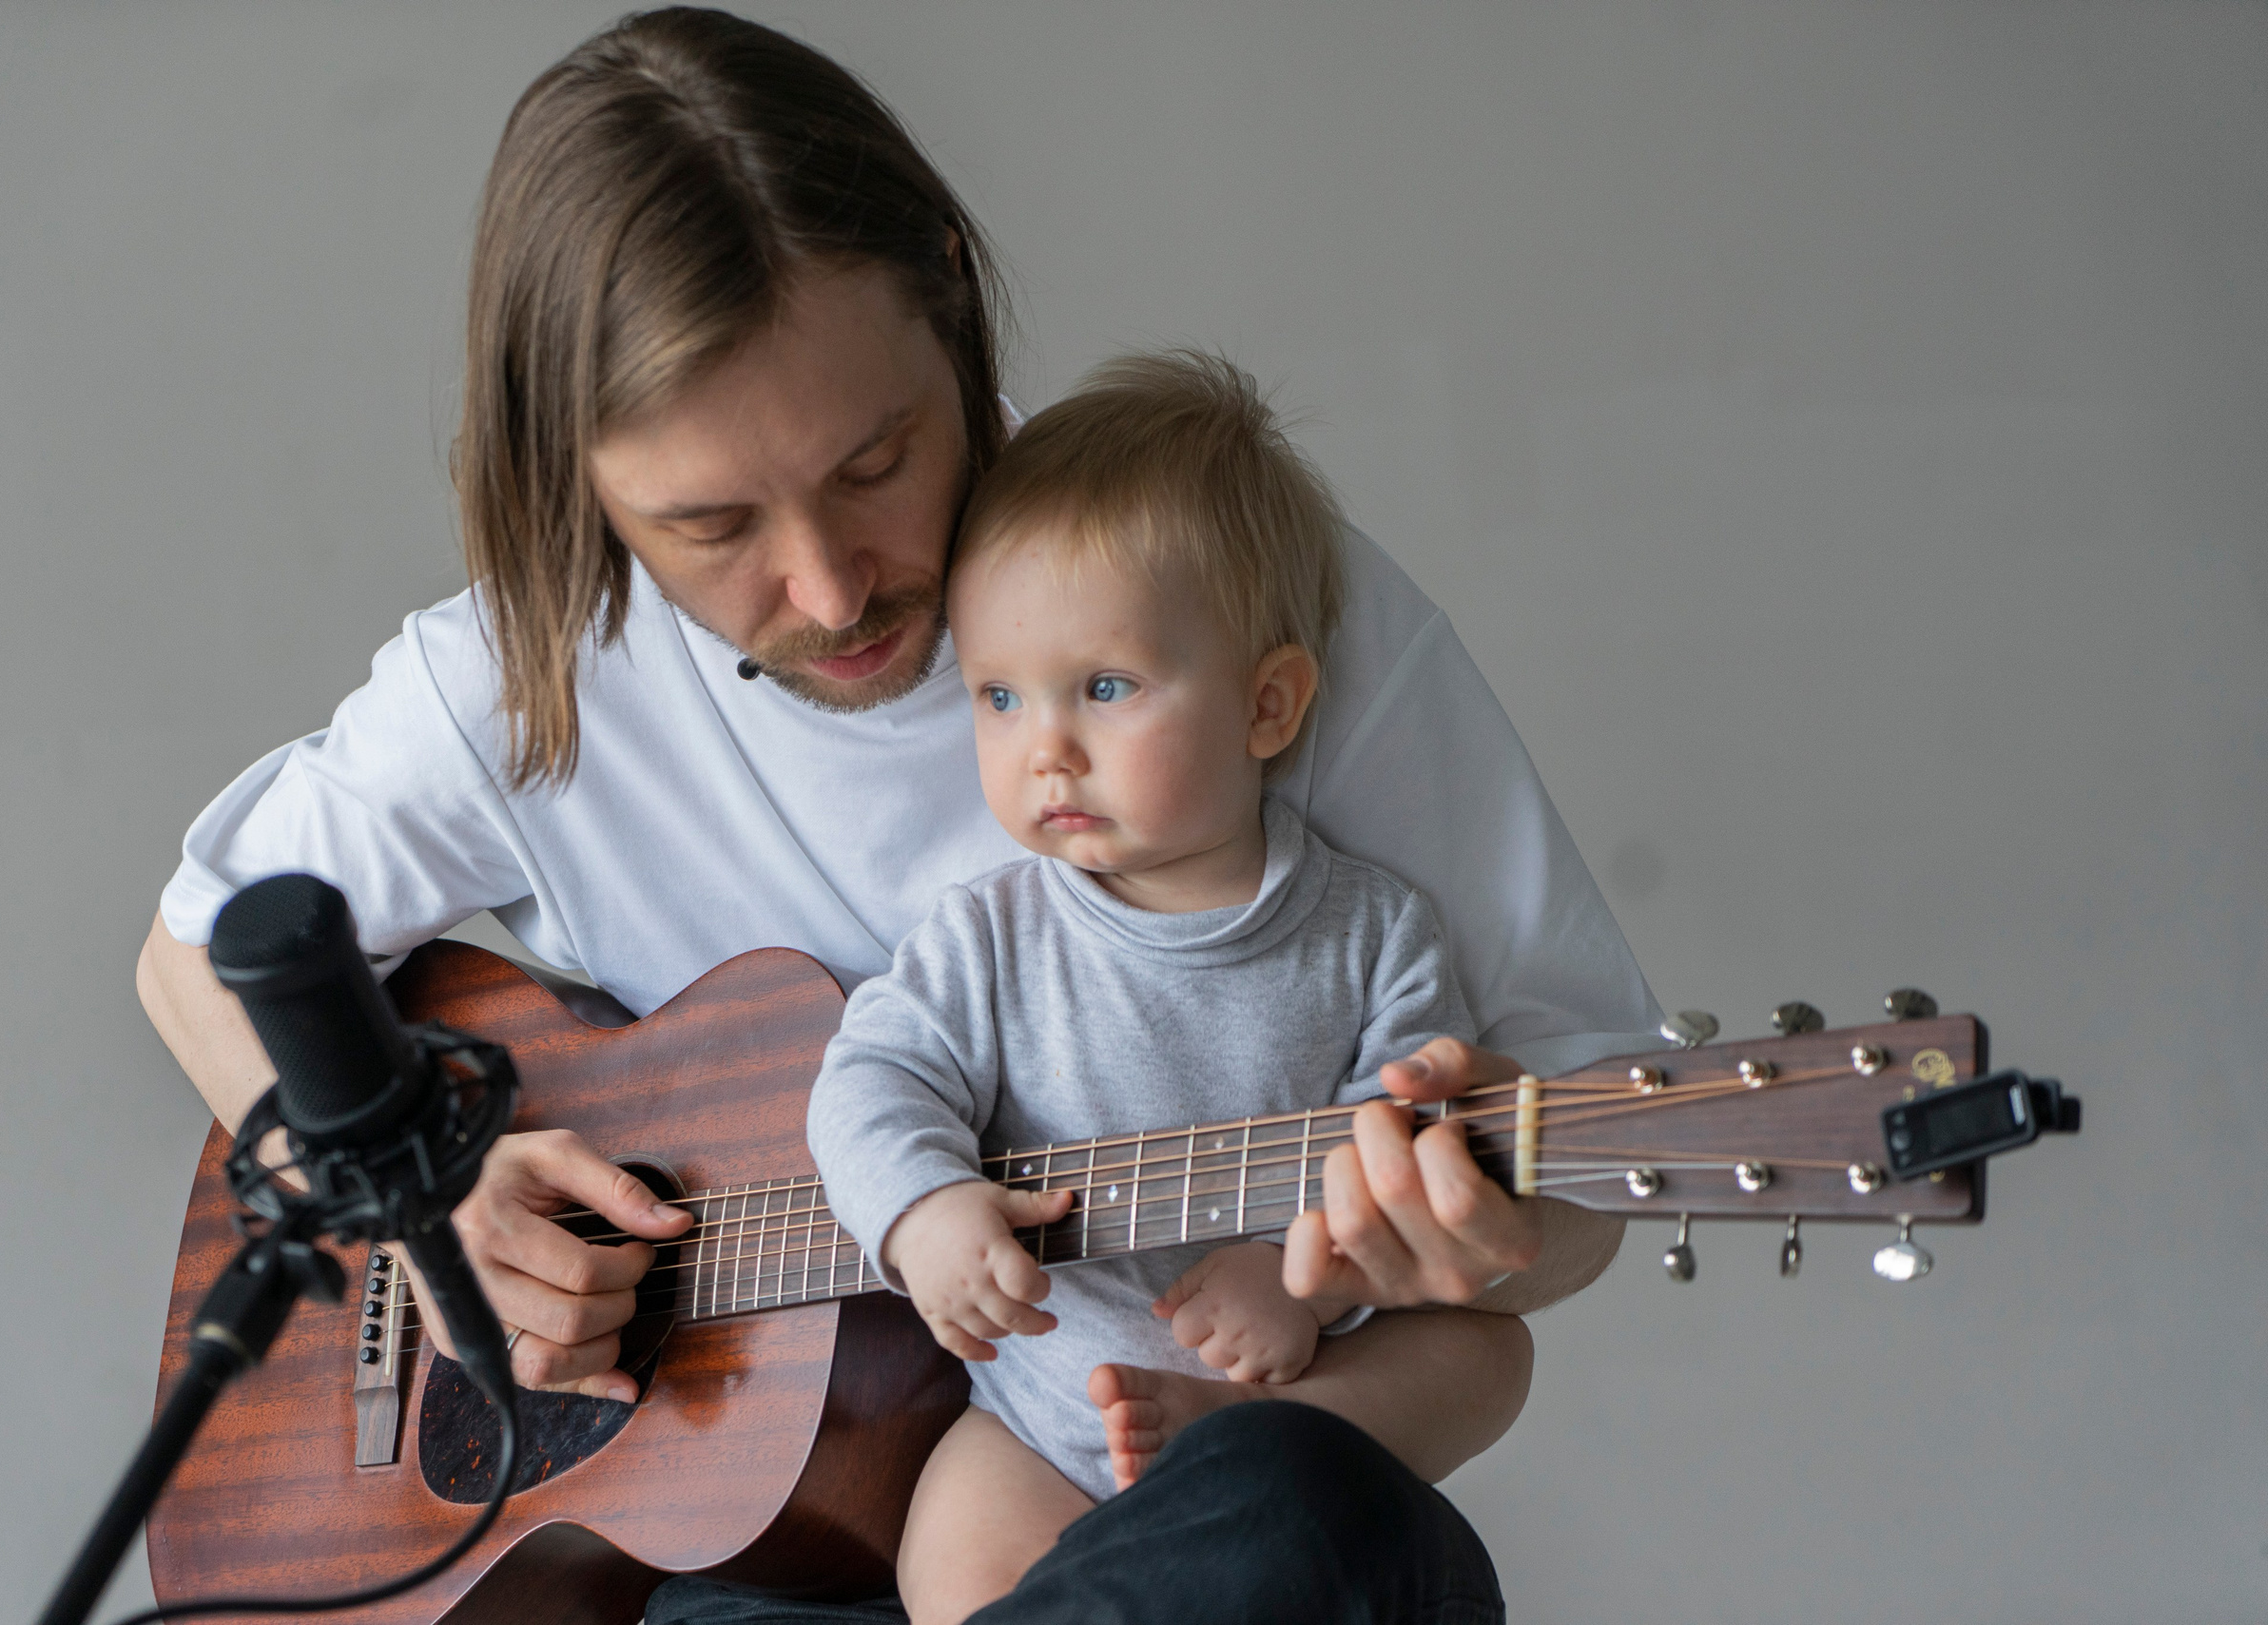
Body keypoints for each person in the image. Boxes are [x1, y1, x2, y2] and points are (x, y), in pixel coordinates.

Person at [133, 10, 1660, 1622]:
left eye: (877, 460)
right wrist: (425, 1201)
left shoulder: (1221, 598)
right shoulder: (523, 686)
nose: (830, 583)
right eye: (708, 523)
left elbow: (1585, 1184)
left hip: (1200, 1497)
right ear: (571, 476)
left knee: (1302, 1513)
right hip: (760, 1548)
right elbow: (192, 958)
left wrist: (1449, 1238)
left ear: (949, 300)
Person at [809, 350, 1507, 1623]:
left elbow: (1402, 1158)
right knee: (958, 1570)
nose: (1044, 746)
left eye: (1106, 687)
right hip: (1034, 1418)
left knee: (1478, 1356)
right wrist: (923, 1211)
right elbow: (870, 1079)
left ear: (1267, 704)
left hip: (1271, 1410)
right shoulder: (992, 936)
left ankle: (1234, 1448)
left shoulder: (1374, 936)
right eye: (1000, 696)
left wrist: (1305, 1276)